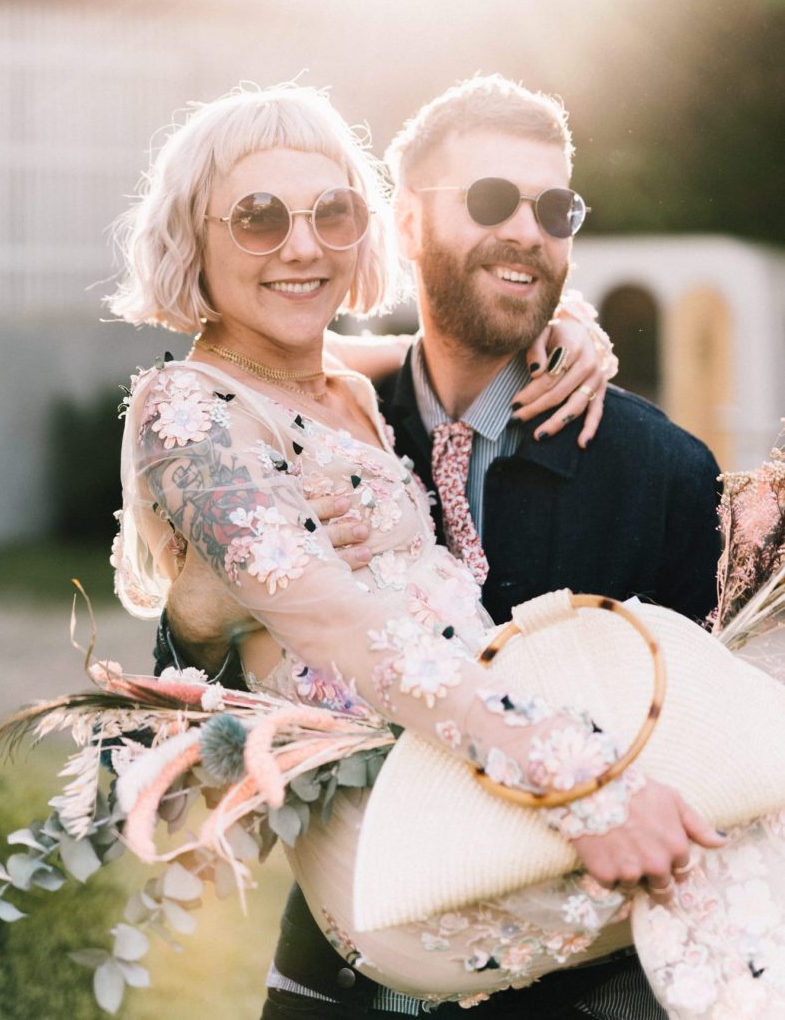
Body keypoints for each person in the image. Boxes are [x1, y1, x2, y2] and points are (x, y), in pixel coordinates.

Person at [253, 77, 724, 1020]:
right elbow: (192, 706)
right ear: (408, 224)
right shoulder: (303, 428)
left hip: (576, 988)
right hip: (336, 980)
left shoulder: (665, 474)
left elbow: (705, 762)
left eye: (555, 208)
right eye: (491, 200)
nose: (528, 230)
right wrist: (198, 613)